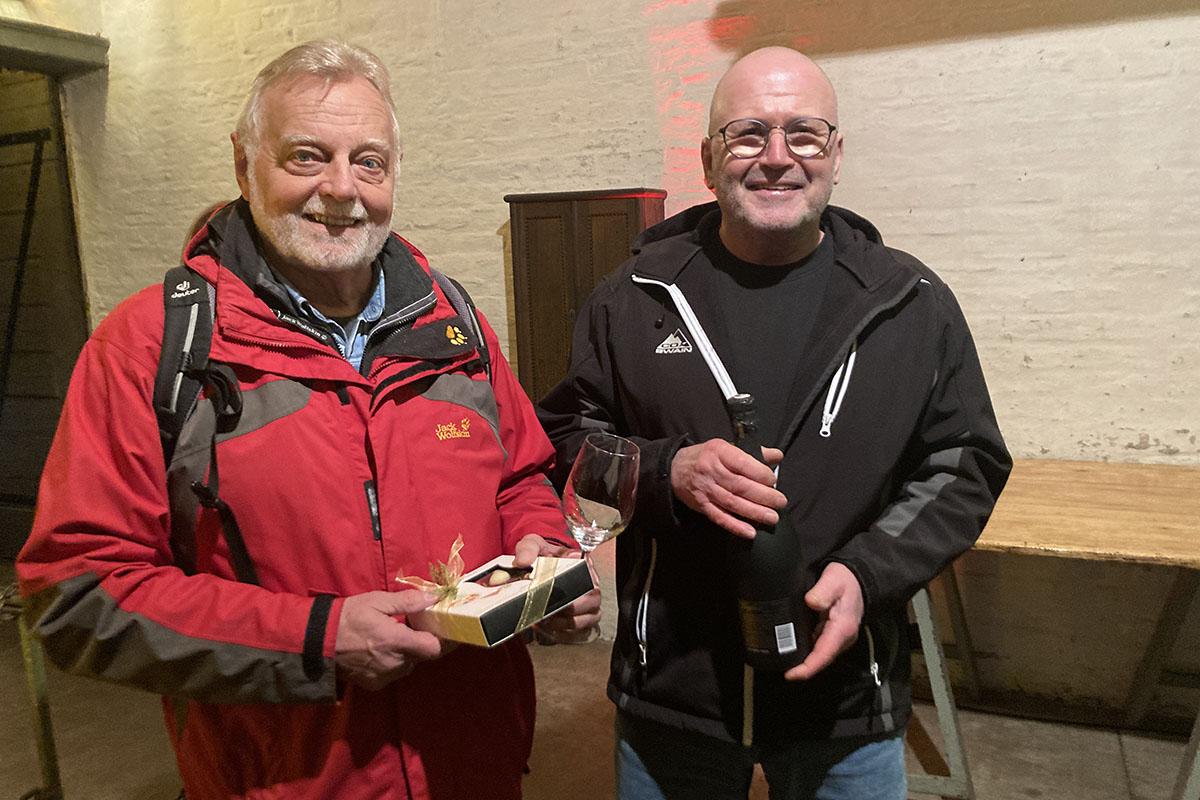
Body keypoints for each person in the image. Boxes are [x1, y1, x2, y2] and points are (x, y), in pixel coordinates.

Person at [17, 40, 598, 800]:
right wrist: (315, 639)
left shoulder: (454, 324)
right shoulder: (151, 347)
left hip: (472, 768)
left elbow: (521, 475)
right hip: (284, 779)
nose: (341, 189)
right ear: (242, 163)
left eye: (369, 162)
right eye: (305, 156)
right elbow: (78, 593)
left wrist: (545, 558)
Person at [536, 46, 1011, 799]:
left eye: (805, 134)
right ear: (708, 158)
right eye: (748, 133)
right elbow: (567, 441)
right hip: (675, 698)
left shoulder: (909, 303)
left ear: (836, 153)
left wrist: (868, 572)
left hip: (847, 703)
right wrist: (666, 471)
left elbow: (963, 462)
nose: (778, 158)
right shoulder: (631, 300)